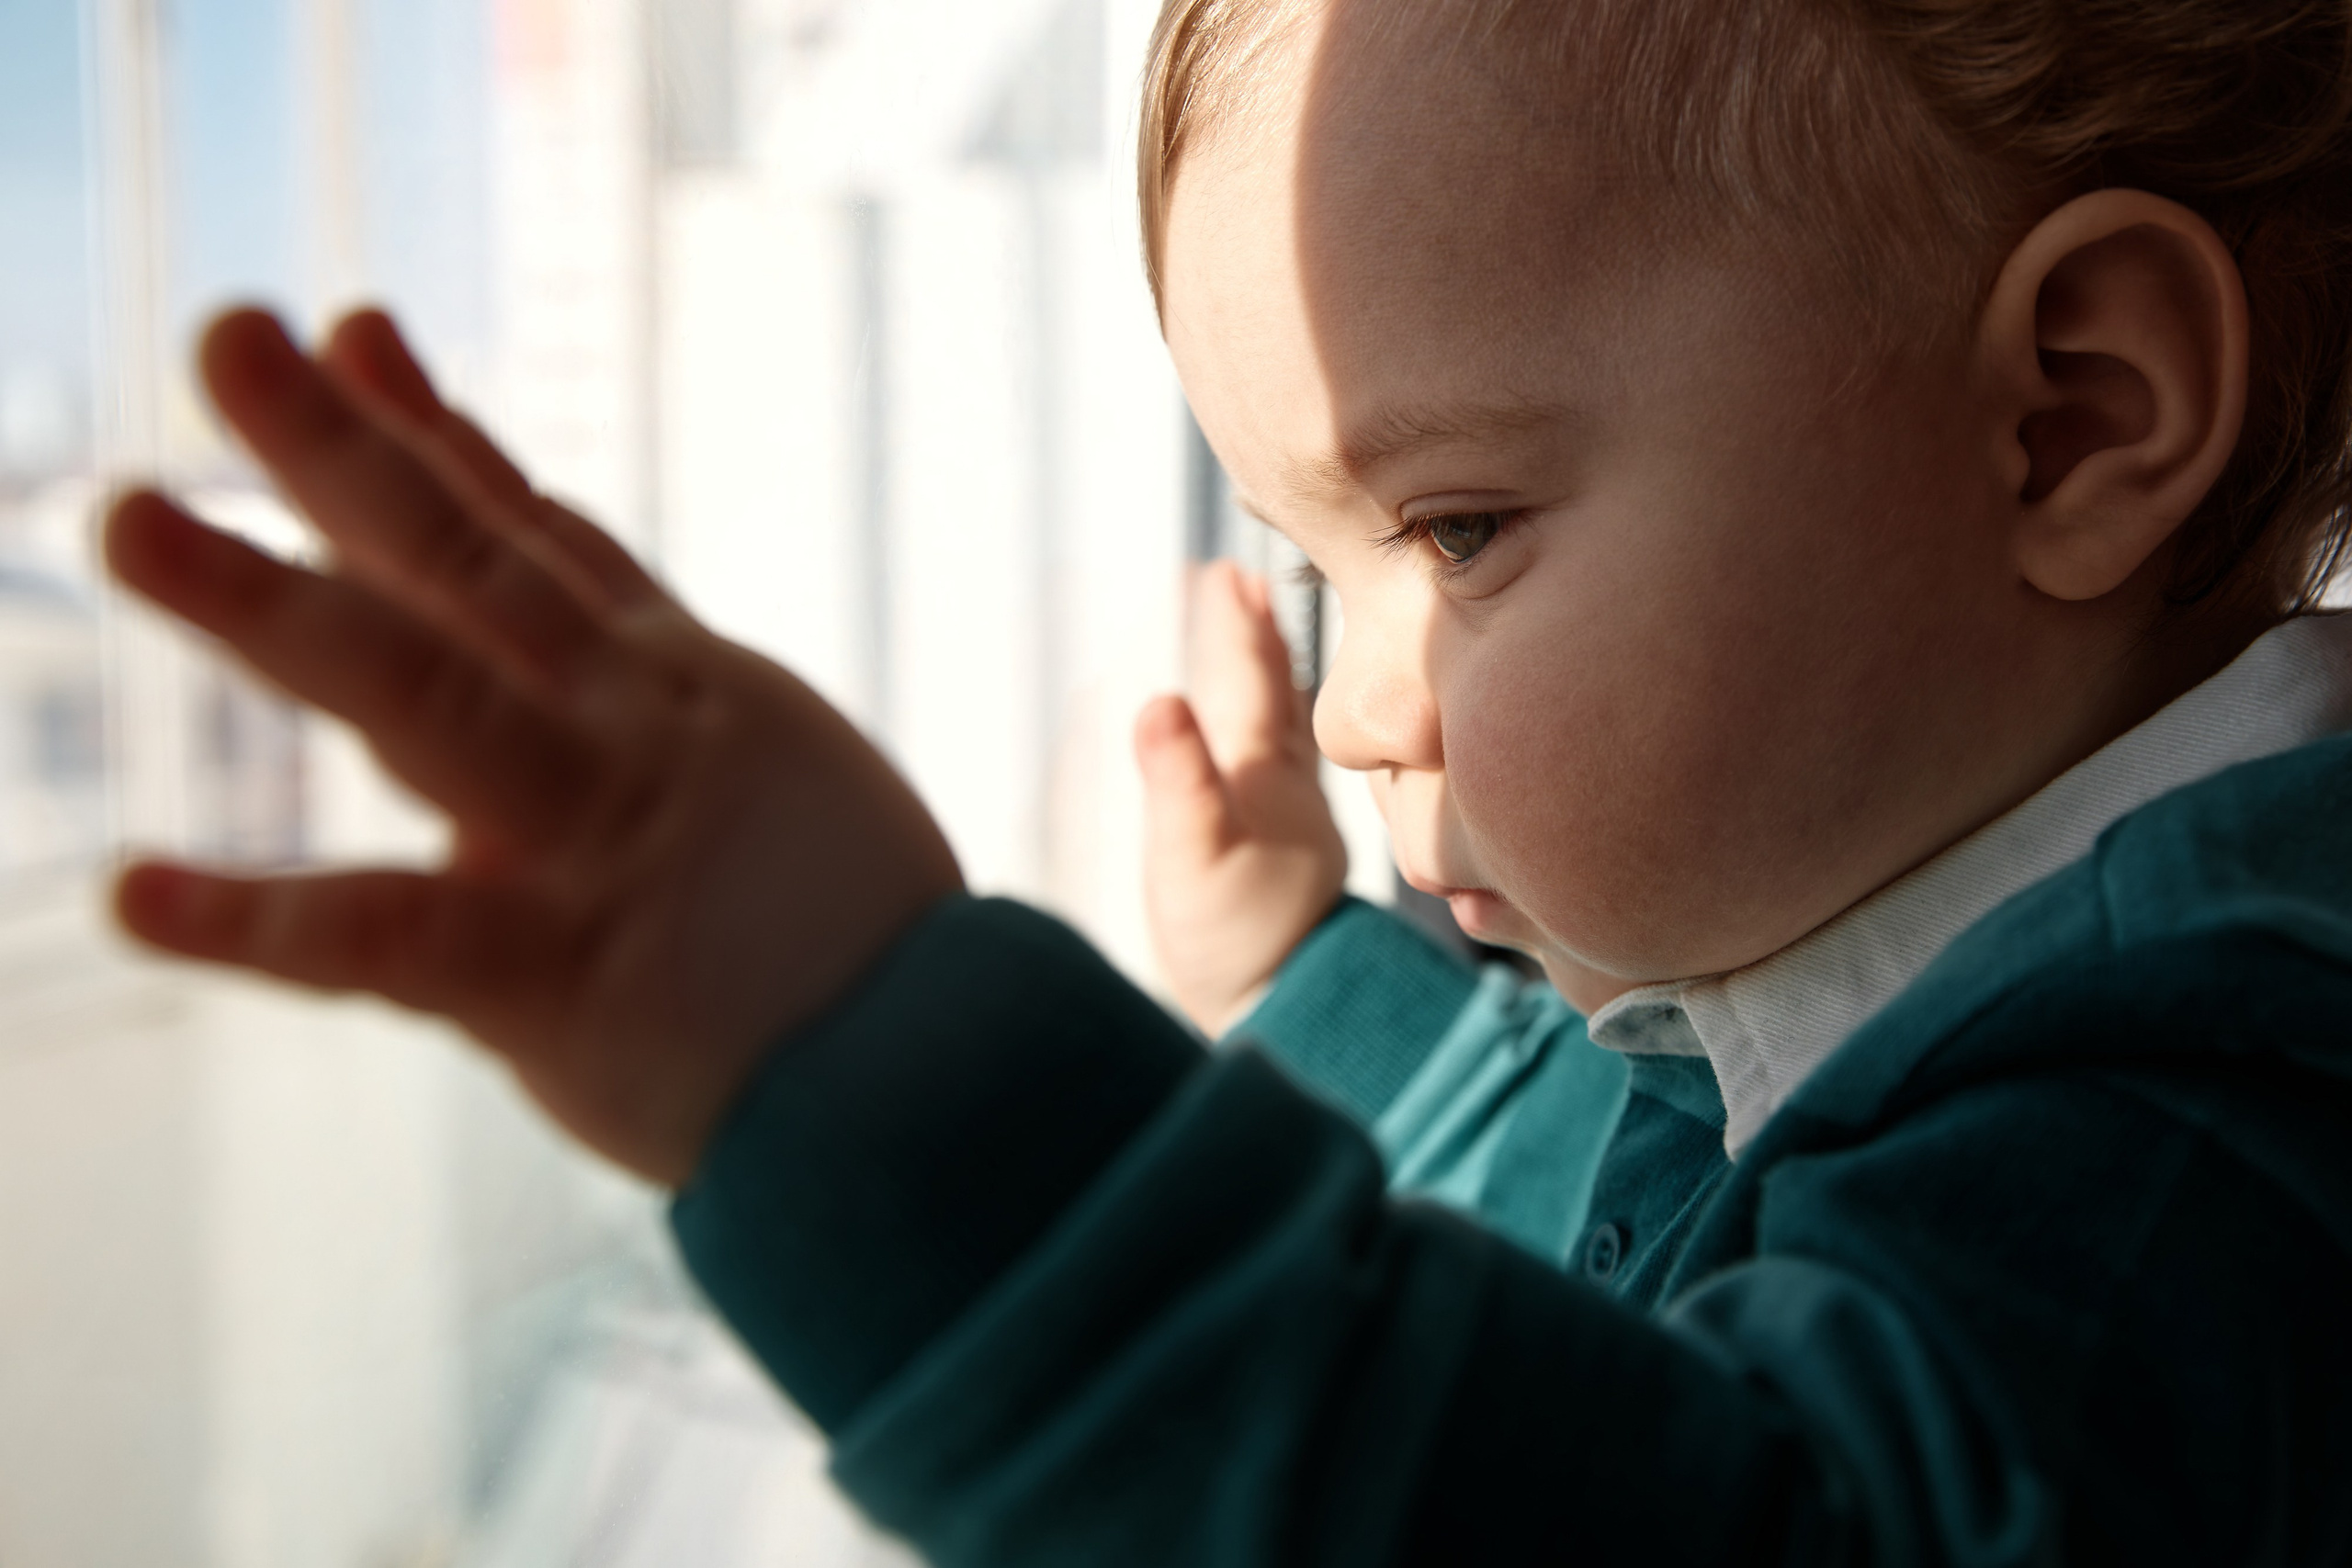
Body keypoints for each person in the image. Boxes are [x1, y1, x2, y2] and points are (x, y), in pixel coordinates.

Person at [100, 0, 2352, 1559]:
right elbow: (1622, 1258)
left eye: (1451, 530)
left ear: (2067, 417)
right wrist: (1305, 972)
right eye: (1306, 564)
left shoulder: (2202, 1124)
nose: (1359, 705)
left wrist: (874, 1072)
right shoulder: (2025, 988)